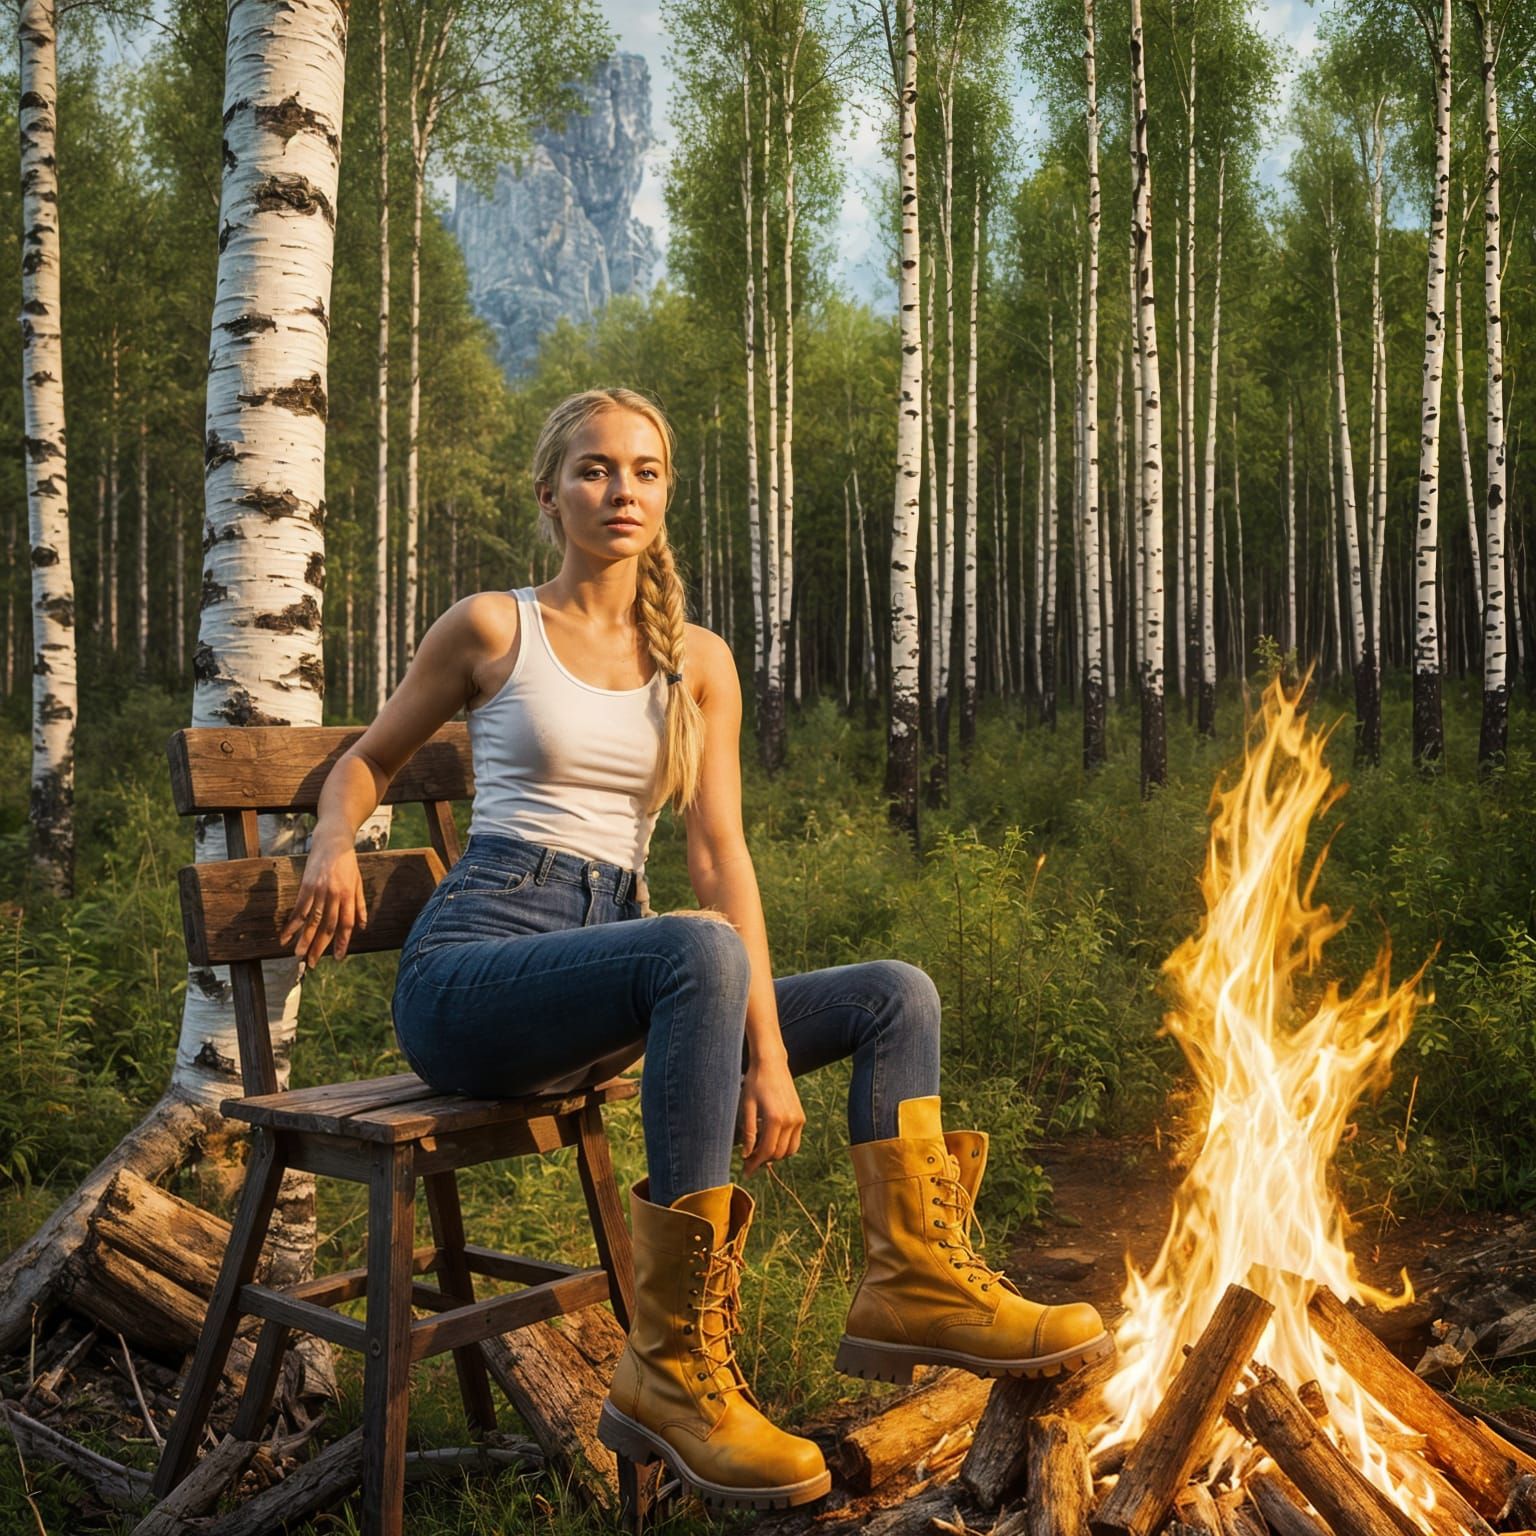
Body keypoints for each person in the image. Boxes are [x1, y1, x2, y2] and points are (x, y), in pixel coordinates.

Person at [279, 387, 1110, 1513]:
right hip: (474, 976)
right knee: (696, 948)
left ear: (666, 496)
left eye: (645, 471)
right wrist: (334, 840)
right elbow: (366, 759)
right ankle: (674, 1372)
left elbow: (720, 858)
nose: (620, 489)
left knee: (893, 996)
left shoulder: (697, 662)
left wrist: (766, 1054)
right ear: (550, 492)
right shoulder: (493, 627)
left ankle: (914, 1278)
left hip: (622, 969)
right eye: (594, 469)